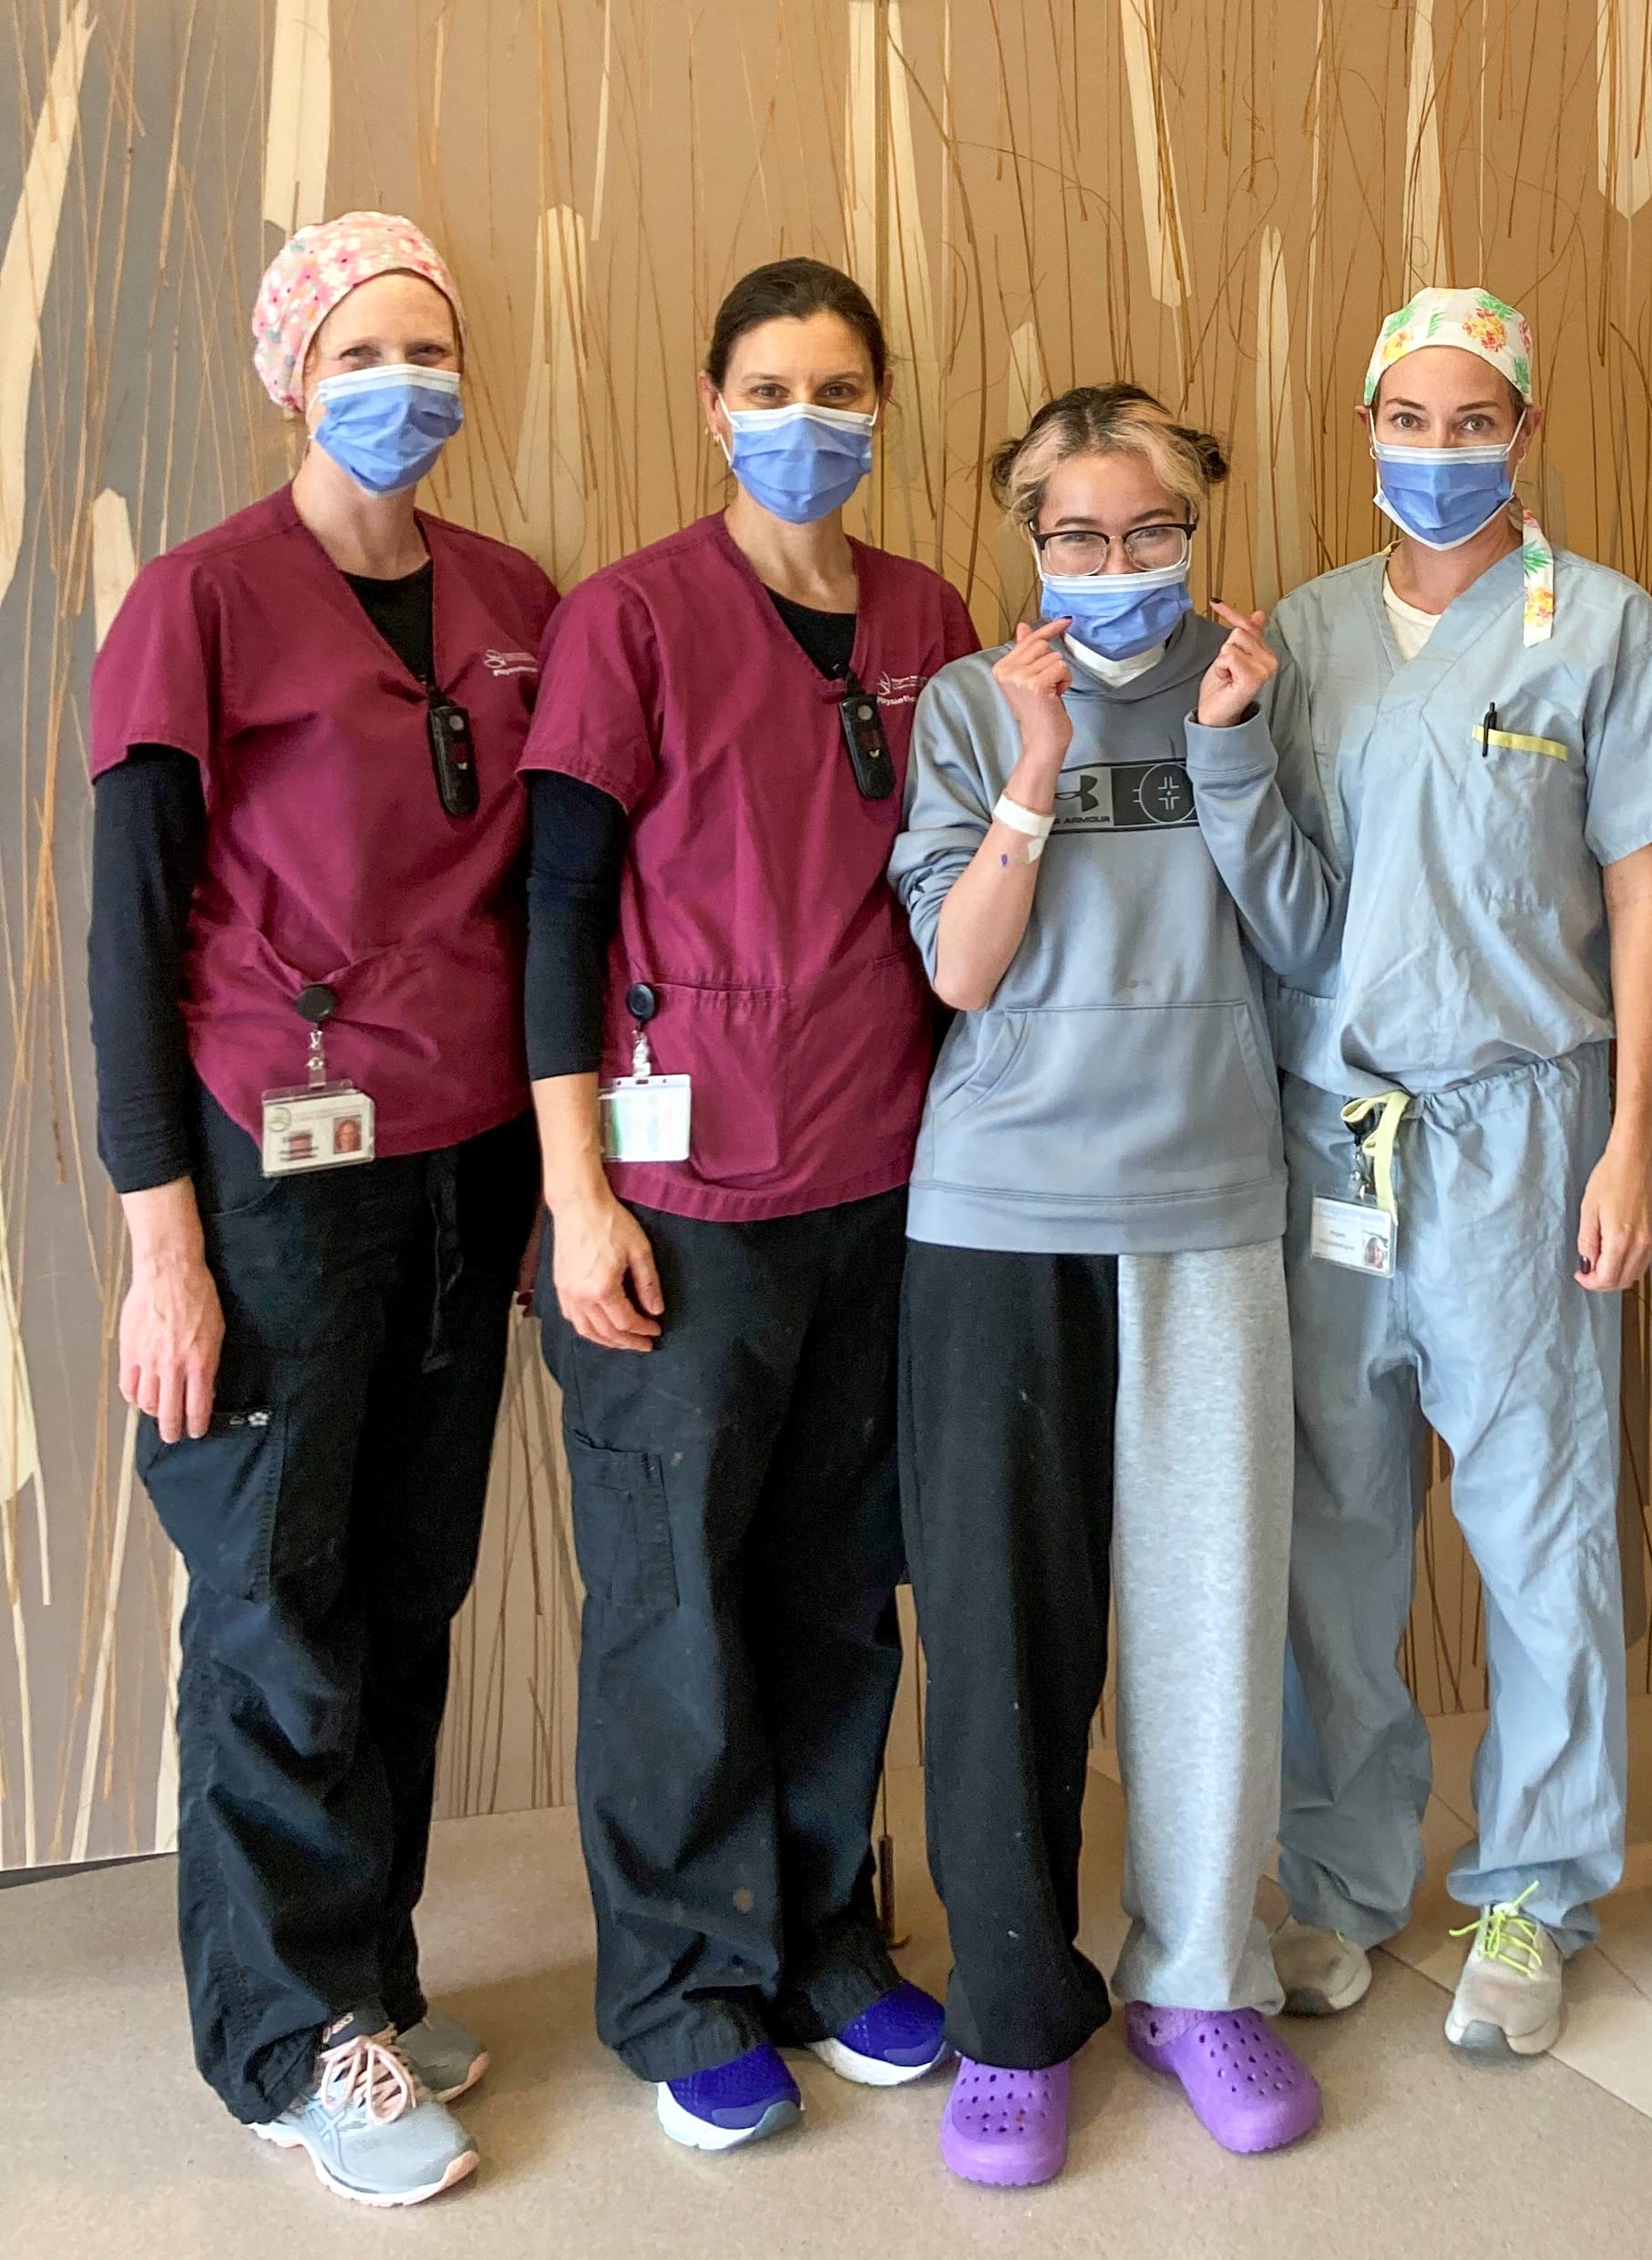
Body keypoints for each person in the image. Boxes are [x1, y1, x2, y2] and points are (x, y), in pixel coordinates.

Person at [1192, 286, 1652, 2060]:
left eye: (1472, 417)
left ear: (1528, 425)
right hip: (1330, 1133)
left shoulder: (1601, 630)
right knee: (1333, 1526)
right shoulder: (1299, 634)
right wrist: (1218, 727)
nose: (1439, 452)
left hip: (1527, 1132)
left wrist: (1634, 1134)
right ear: (1365, 429)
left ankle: (1536, 1885)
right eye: (1408, 419)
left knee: (1543, 1523)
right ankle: (1341, 1884)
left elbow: (1651, 888)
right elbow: (1267, 882)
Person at [87, 211, 553, 2206]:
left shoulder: (515, 600)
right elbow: (124, 945)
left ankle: (366, 1965)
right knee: (277, 1601)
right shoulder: (197, 605)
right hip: (271, 1184)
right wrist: (162, 1245)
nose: (404, 382)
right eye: (363, 347)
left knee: (403, 1591)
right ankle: (290, 2038)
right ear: (293, 372)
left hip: (462, 1170)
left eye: (431, 347)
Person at [518, 257, 978, 2152]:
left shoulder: (929, 614)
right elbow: (549, 917)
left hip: (879, 1175)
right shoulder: (630, 620)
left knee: (834, 1587)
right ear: (712, 405)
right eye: (774, 388)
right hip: (681, 1197)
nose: (811, 421)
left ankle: (820, 1944)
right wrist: (576, 1194)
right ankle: (685, 1981)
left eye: (844, 386)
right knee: (671, 1603)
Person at [890, 384, 1322, 2188]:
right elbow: (963, 971)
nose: (1122, 564)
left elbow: (1305, 941)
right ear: (1029, 541)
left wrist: (1228, 746)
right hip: (998, 1213)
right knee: (1001, 1627)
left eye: (1154, 531)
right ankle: (1011, 2004)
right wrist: (1039, 761)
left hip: (1208, 1199)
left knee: (1212, 1606)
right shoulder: (971, 705)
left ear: (1201, 529)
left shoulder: (1255, 680)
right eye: (1082, 534)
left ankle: (1203, 1980)